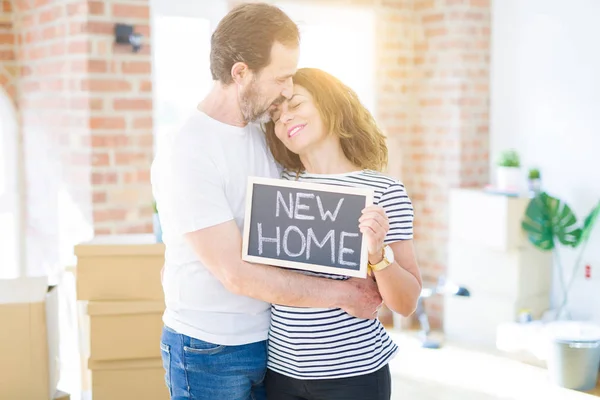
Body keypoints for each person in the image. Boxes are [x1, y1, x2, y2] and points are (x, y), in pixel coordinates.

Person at [150, 4, 382, 400]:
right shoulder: (186, 150)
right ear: (241, 73)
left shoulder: (266, 134)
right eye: (281, 78)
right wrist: (345, 294)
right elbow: (235, 274)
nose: (288, 89)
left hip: (273, 345)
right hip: (209, 350)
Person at [262, 67, 423, 400]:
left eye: (295, 104)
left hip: (354, 376)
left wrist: (378, 256)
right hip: (278, 373)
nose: (285, 120)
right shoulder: (275, 188)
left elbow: (406, 303)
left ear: (329, 106)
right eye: (276, 116)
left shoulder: (384, 190)